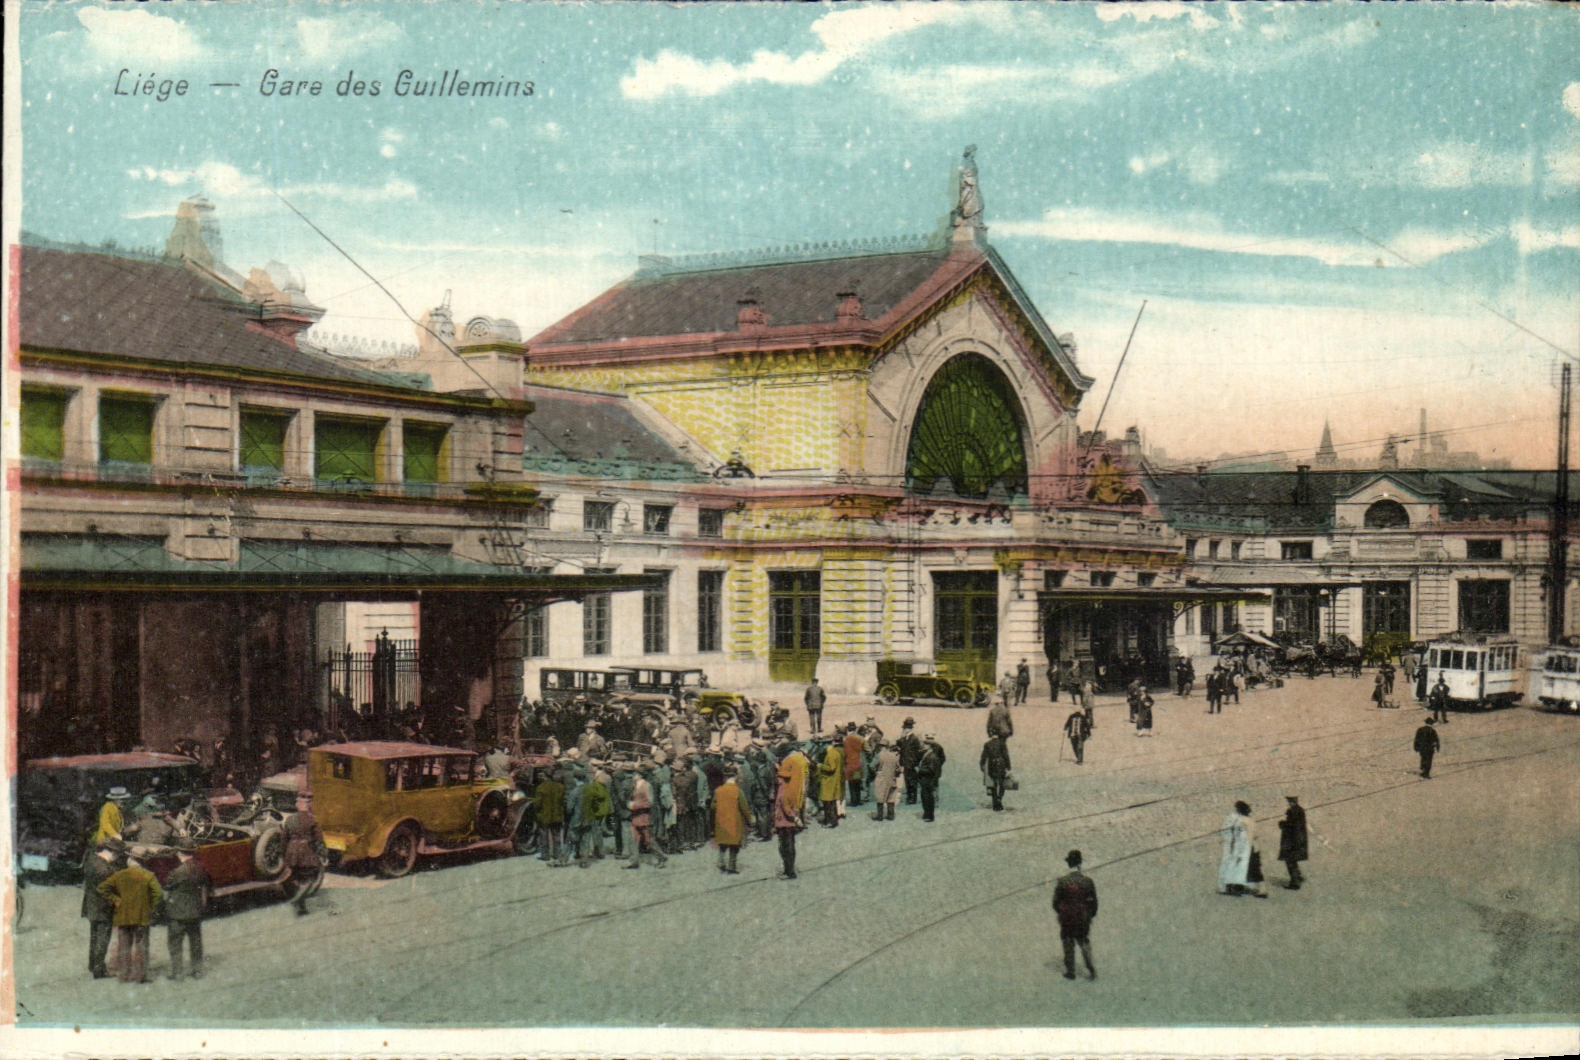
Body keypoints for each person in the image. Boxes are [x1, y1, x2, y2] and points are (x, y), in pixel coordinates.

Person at [99, 851, 162, 983]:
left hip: (123, 915)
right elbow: (159, 895)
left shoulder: (119, 875)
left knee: (123, 946)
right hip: (142, 916)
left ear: (130, 860)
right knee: (141, 946)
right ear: (142, 862)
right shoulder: (148, 876)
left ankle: (123, 975)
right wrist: (150, 906)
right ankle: (139, 976)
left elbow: (102, 888)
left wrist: (116, 900)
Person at [163, 837, 209, 979]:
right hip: (195, 911)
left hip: (177, 913)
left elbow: (166, 889)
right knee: (195, 942)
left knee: (175, 943)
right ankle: (197, 970)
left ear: (179, 853)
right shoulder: (200, 869)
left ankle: (177, 972)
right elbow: (205, 887)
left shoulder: (177, 872)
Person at [1052, 849, 1098, 981]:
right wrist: (1089, 915)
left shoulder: (1062, 882)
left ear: (1069, 864)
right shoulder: (1088, 882)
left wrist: (1062, 912)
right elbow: (1094, 903)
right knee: (1084, 942)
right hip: (1083, 917)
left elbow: (1055, 903)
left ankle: (1070, 971)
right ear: (1080, 864)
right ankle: (1091, 970)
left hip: (1067, 918)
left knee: (1068, 943)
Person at [82, 840, 122, 979]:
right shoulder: (105, 870)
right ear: (113, 853)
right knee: (102, 938)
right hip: (104, 907)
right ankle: (99, 970)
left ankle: (93, 964)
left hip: (91, 905)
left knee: (94, 936)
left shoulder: (92, 860)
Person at [283, 792, 324, 915]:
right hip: (306, 853)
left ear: (297, 805)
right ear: (308, 805)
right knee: (311, 878)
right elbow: (318, 840)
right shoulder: (312, 820)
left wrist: (285, 856)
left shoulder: (289, 819)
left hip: (292, 853)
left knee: (299, 880)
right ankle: (297, 900)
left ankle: (302, 908)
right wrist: (323, 854)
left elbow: (284, 839)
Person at [624, 762, 667, 870]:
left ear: (640, 775)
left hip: (644, 817)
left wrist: (634, 805)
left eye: (635, 773)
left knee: (648, 841)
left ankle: (661, 857)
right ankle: (634, 861)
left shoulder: (647, 786)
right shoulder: (635, 785)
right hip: (635, 817)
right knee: (633, 839)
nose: (633, 775)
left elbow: (650, 802)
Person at [712, 766, 752, 874]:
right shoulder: (738, 791)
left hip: (721, 822)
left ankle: (721, 863)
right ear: (735, 776)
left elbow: (713, 806)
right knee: (734, 846)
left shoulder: (718, 790)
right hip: (734, 822)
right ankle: (731, 867)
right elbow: (744, 807)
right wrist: (751, 819)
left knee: (722, 844)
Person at [1218, 800, 1256, 896]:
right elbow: (1226, 830)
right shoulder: (1233, 818)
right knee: (1233, 866)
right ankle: (1230, 887)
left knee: (1238, 867)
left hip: (1240, 846)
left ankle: (1235, 886)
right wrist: (1231, 840)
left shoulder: (1242, 818)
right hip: (1234, 846)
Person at [772, 758, 801, 880]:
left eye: (779, 777)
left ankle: (789, 871)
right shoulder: (785, 788)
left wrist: (795, 818)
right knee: (787, 847)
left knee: (786, 848)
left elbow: (786, 808)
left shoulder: (784, 791)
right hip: (784, 823)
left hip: (785, 824)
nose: (777, 779)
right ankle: (788, 870)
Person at [577, 765, 612, 867]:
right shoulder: (602, 785)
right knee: (598, 832)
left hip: (597, 812)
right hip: (602, 811)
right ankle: (599, 851)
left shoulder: (595, 786)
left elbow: (596, 798)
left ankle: (597, 852)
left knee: (593, 833)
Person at [534, 768, 567, 865]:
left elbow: (537, 804)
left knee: (544, 836)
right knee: (556, 836)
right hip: (557, 815)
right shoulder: (560, 787)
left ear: (545, 776)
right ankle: (556, 854)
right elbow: (563, 801)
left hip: (544, 816)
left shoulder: (541, 788)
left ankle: (545, 855)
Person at [1277, 795, 1308, 890]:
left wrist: (1283, 824)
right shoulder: (1299, 810)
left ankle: (1295, 883)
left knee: (1290, 860)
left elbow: (1293, 826)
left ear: (1292, 801)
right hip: (1299, 839)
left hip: (1292, 841)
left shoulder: (1293, 811)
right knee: (1292, 859)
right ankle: (1297, 877)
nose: (1288, 803)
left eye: (1289, 801)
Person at [916, 733, 946, 822]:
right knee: (925, 796)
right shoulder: (927, 754)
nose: (923, 745)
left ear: (929, 746)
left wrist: (919, 770)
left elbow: (930, 769)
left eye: (925, 744)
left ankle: (929, 815)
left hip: (928, 779)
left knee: (928, 797)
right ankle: (927, 814)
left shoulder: (931, 756)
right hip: (926, 779)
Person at [871, 739, 901, 821]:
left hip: (881, 778)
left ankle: (880, 816)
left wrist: (876, 770)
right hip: (892, 779)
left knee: (880, 797)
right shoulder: (894, 756)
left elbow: (872, 766)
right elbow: (899, 769)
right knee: (891, 797)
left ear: (880, 746)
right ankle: (891, 815)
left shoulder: (879, 755)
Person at [979, 733, 1011, 811]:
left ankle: (995, 802)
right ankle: (999, 798)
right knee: (1001, 783)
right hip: (1001, 764)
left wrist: (982, 765)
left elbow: (983, 756)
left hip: (992, 765)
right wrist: (1008, 766)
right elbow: (1006, 755)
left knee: (993, 784)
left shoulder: (987, 744)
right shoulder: (1002, 743)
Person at [817, 738, 844, 828]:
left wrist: (820, 765)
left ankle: (830, 821)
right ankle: (833, 820)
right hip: (833, 781)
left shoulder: (831, 754)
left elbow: (831, 768)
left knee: (827, 803)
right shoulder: (835, 753)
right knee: (831, 802)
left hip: (829, 781)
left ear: (825, 745)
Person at [896, 718, 922, 805]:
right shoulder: (905, 738)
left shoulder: (914, 738)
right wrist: (901, 736)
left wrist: (916, 763)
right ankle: (909, 797)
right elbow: (898, 744)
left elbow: (918, 752)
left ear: (910, 729)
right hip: (906, 763)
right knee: (907, 781)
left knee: (912, 781)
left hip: (911, 763)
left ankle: (912, 798)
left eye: (905, 728)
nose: (904, 730)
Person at [843, 724, 866, 808]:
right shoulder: (860, 739)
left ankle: (854, 801)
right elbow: (866, 749)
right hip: (858, 763)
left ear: (848, 730)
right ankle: (858, 799)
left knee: (851, 783)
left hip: (850, 764)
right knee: (857, 782)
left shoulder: (846, 740)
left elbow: (844, 753)